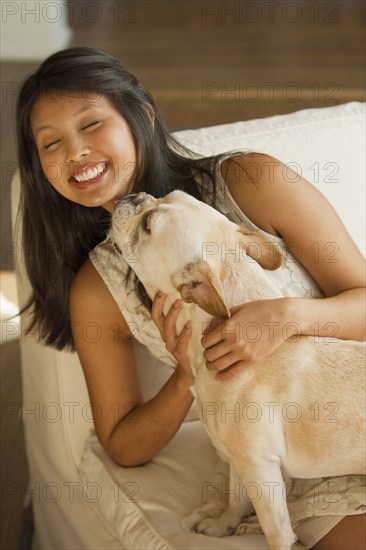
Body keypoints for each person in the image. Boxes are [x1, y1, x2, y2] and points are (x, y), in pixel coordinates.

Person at [16, 47, 365, 549]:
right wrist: (187, 374)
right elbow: (123, 444)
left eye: (91, 124)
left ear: (142, 117)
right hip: (291, 468)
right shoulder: (98, 288)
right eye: (51, 143)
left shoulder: (252, 183)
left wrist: (288, 316)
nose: (75, 152)